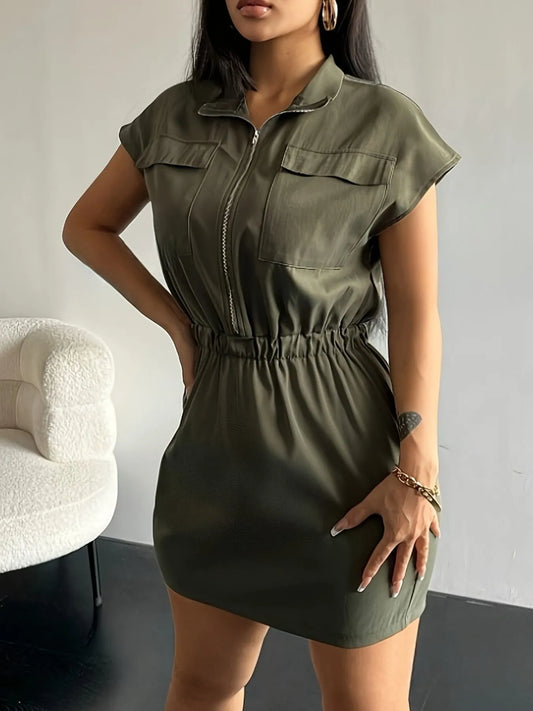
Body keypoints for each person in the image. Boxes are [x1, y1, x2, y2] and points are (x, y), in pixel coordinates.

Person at [62, 0, 461, 708]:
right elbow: (86, 226)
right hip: (213, 462)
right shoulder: (175, 116)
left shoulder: (386, 126)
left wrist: (417, 474)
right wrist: (178, 324)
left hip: (344, 465)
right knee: (203, 687)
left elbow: (416, 312)